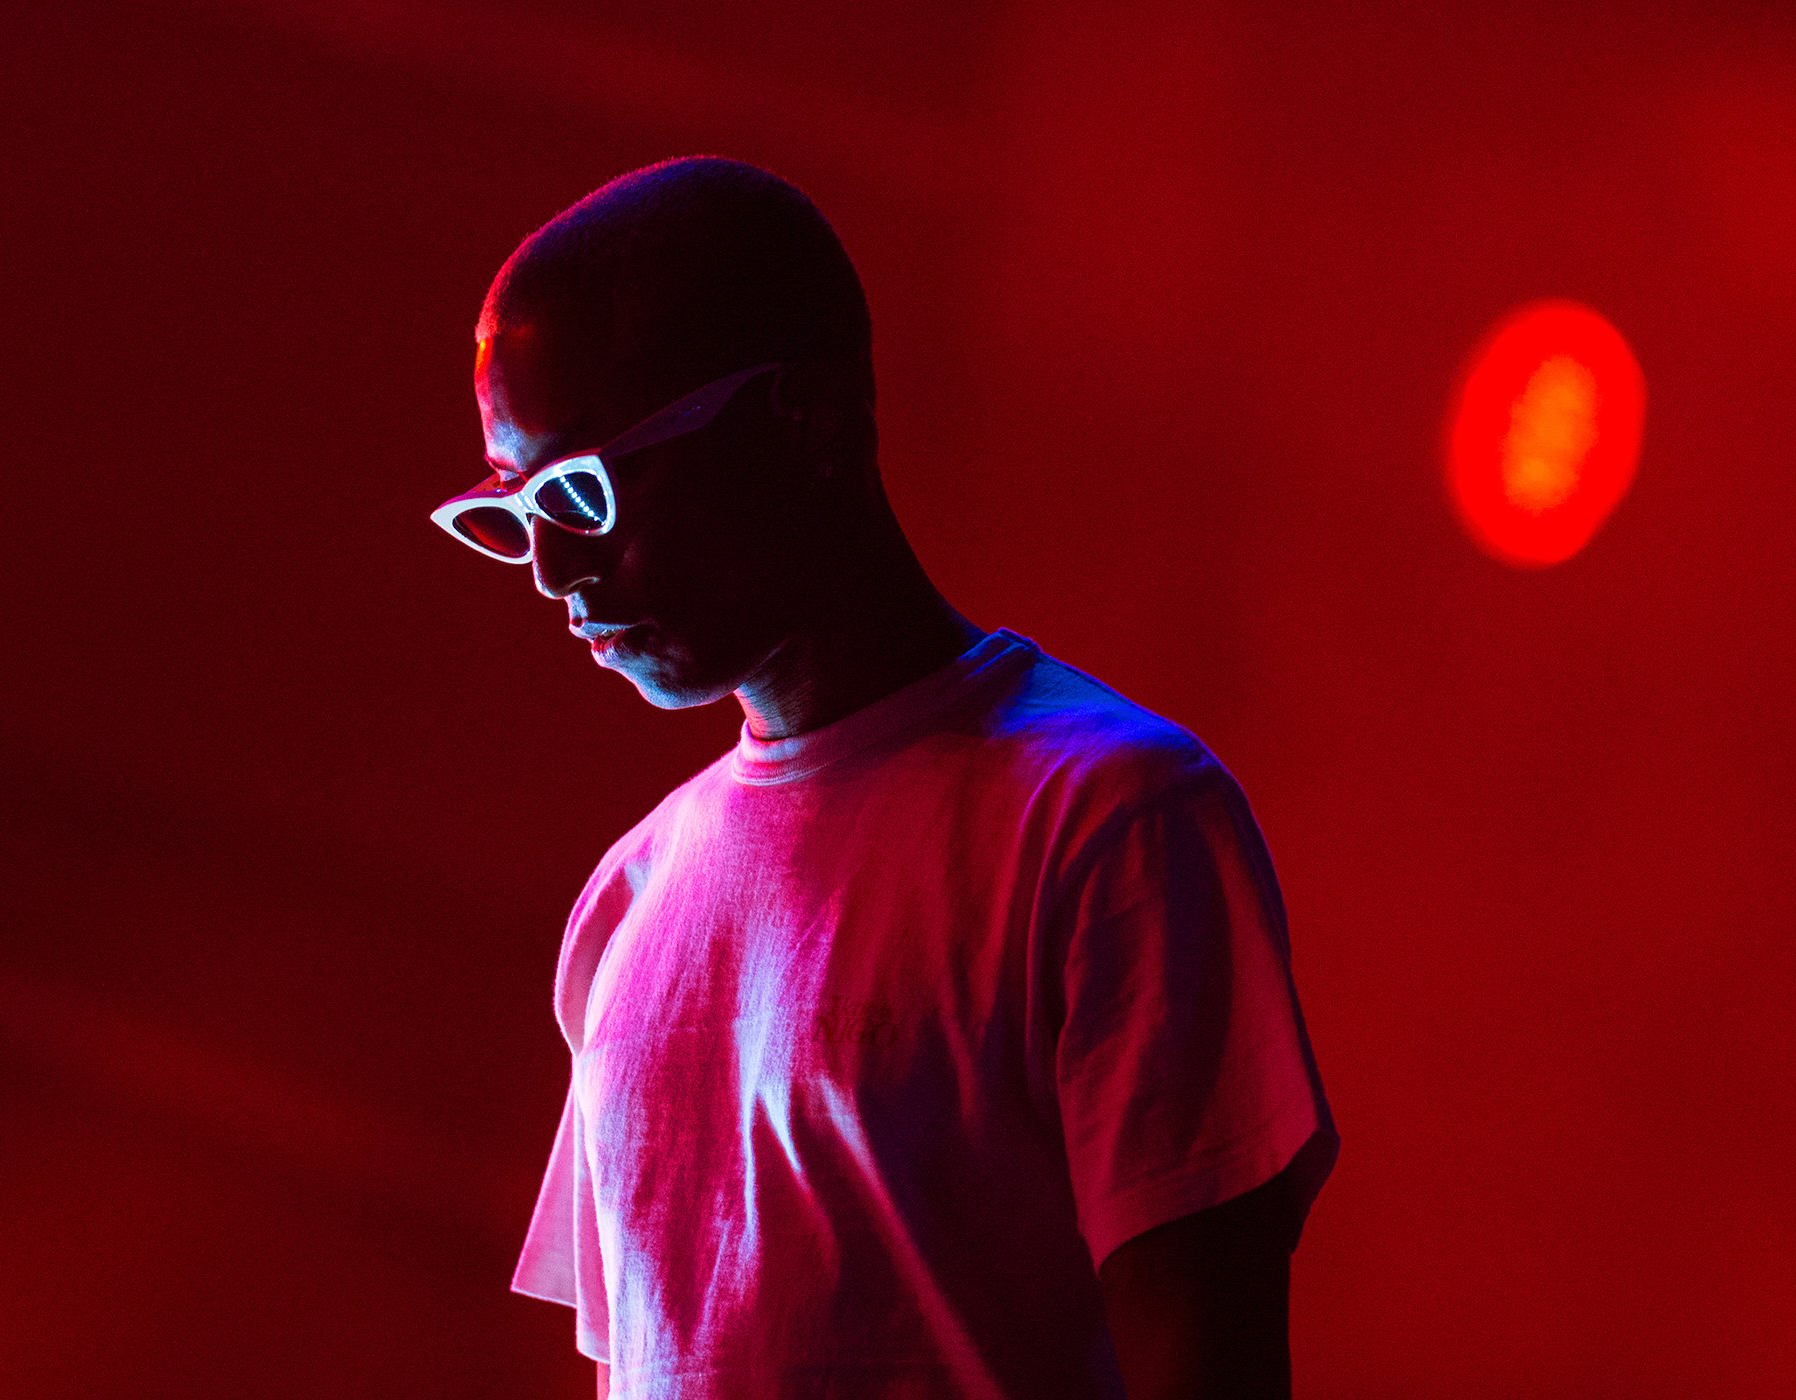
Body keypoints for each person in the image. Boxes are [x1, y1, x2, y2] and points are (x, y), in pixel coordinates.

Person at [433, 156, 1339, 1400]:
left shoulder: (1106, 819)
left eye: (582, 491)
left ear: (809, 418)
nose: (549, 567)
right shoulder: (626, 902)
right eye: (513, 512)